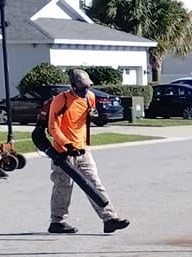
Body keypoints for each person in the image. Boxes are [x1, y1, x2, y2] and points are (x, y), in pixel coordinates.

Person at [43, 69, 130, 235]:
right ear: (73, 86)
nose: (85, 91)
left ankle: (109, 219)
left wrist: (94, 116)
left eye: (87, 87)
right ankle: (57, 221)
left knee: (95, 184)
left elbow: (90, 118)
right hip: (63, 153)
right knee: (63, 187)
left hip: (83, 150)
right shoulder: (61, 100)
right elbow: (53, 127)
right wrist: (67, 145)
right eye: (82, 88)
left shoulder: (90, 98)